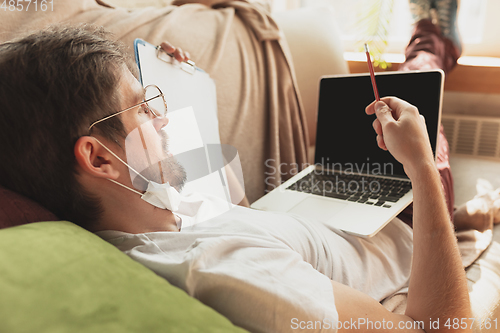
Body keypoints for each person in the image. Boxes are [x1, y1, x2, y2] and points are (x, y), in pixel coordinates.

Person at [0, 2, 495, 332]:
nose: (162, 115)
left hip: (338, 219)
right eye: (143, 108)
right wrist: (422, 169)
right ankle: (431, 42)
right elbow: (443, 325)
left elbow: (235, 210)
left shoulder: (150, 209)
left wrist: (189, 86)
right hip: (419, 235)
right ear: (99, 157)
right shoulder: (224, 269)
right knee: (415, 87)